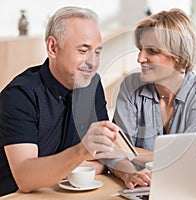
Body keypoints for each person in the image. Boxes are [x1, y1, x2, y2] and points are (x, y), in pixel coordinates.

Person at [0, 6, 120, 196]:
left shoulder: (91, 84)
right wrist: (81, 153)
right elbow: (26, 178)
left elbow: (104, 156)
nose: (93, 63)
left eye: (97, 52)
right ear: (53, 48)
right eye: (83, 50)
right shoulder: (19, 95)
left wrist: (59, 166)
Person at [104, 8, 196, 189]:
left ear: (179, 56)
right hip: (140, 188)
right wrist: (129, 173)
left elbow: (193, 157)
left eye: (152, 51)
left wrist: (128, 153)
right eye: (141, 49)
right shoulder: (130, 87)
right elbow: (116, 154)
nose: (140, 58)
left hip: (187, 187)